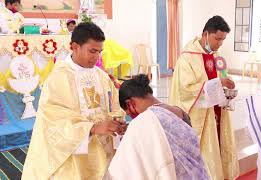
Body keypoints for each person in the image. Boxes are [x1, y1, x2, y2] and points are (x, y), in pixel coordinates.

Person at [22, 22, 126, 180]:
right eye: (92, 51)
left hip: (102, 150)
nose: (97, 57)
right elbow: (54, 121)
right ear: (74, 46)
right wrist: (92, 128)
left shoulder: (102, 76)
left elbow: (114, 106)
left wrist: (117, 122)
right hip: (72, 157)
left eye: (99, 51)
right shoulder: (59, 78)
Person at [169, 15, 239, 180]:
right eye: (217, 39)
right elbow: (185, 90)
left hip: (218, 112)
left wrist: (226, 85)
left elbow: (221, 77)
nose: (219, 44)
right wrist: (216, 83)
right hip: (200, 116)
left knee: (220, 146)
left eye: (223, 40)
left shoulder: (217, 56)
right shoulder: (187, 58)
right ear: (206, 34)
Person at [106, 74, 208, 180]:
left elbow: (123, 169)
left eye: (129, 114)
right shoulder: (179, 112)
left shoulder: (143, 121)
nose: (132, 117)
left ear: (130, 104)